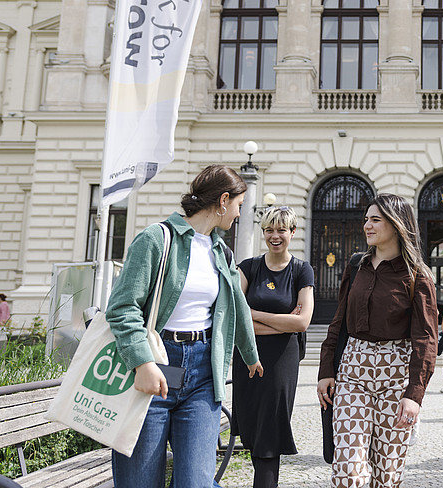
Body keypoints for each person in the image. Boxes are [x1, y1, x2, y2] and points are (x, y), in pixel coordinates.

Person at [105, 164, 263, 488]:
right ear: (223, 200)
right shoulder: (157, 239)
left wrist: (250, 354)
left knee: (196, 482)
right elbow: (122, 307)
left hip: (204, 371)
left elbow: (237, 305)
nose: (238, 214)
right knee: (139, 482)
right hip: (157, 364)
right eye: (238, 206)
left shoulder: (222, 251)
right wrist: (142, 363)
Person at [317, 193, 439, 488]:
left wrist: (415, 394)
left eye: (375, 220)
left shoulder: (417, 276)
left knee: (387, 474)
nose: (367, 226)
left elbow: (426, 339)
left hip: (395, 378)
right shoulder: (356, 266)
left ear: (396, 225)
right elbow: (339, 320)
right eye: (366, 220)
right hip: (353, 371)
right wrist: (326, 370)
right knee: (348, 470)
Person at [233, 205, 315, 488]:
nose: (275, 235)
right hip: (247, 355)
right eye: (269, 229)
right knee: (253, 429)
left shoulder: (302, 270)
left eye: (281, 229)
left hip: (281, 359)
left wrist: (252, 314)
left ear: (293, 232)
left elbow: (302, 322)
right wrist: (280, 322)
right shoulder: (248, 267)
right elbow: (233, 317)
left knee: (269, 431)